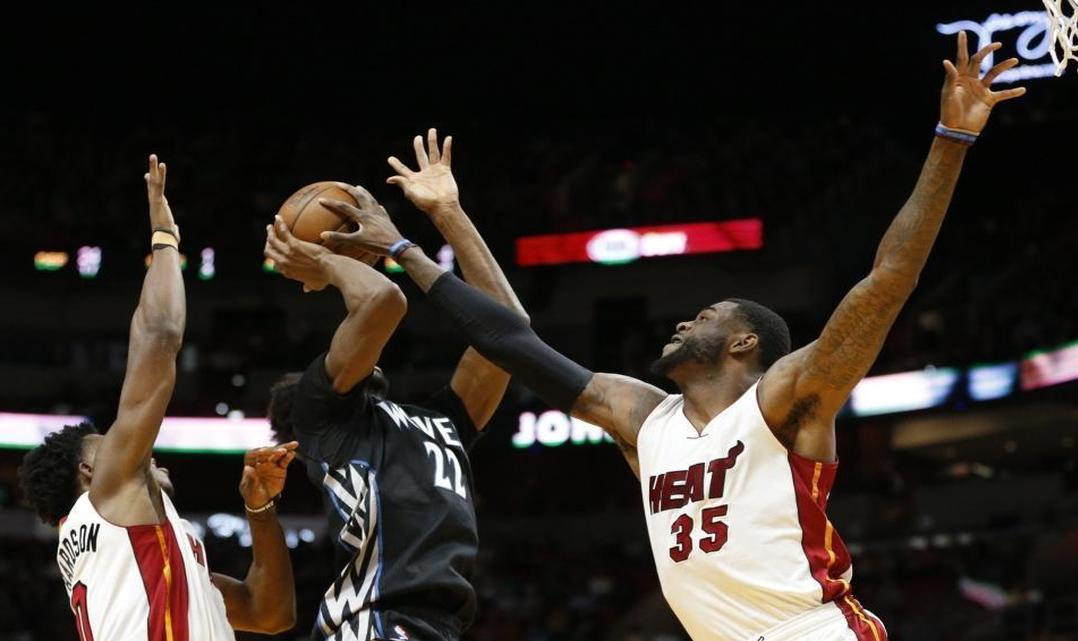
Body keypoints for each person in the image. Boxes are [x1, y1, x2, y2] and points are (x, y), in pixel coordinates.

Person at [316, 35, 1026, 641]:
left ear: (746, 343)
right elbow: (512, 343)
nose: (685, 322)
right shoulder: (642, 417)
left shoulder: (787, 397)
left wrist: (951, 140)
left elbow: (888, 279)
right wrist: (436, 225)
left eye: (708, 314)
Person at [17, 155, 297, 640]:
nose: (140, 449)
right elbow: (160, 335)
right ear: (90, 472)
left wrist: (259, 509)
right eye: (109, 446)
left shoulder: (129, 548)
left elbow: (269, 614)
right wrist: (165, 240)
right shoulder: (107, 500)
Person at [264, 130, 527, 641]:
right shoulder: (327, 420)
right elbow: (383, 301)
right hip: (374, 622)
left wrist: (448, 213)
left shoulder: (439, 422)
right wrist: (327, 261)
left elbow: (510, 331)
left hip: (433, 626)